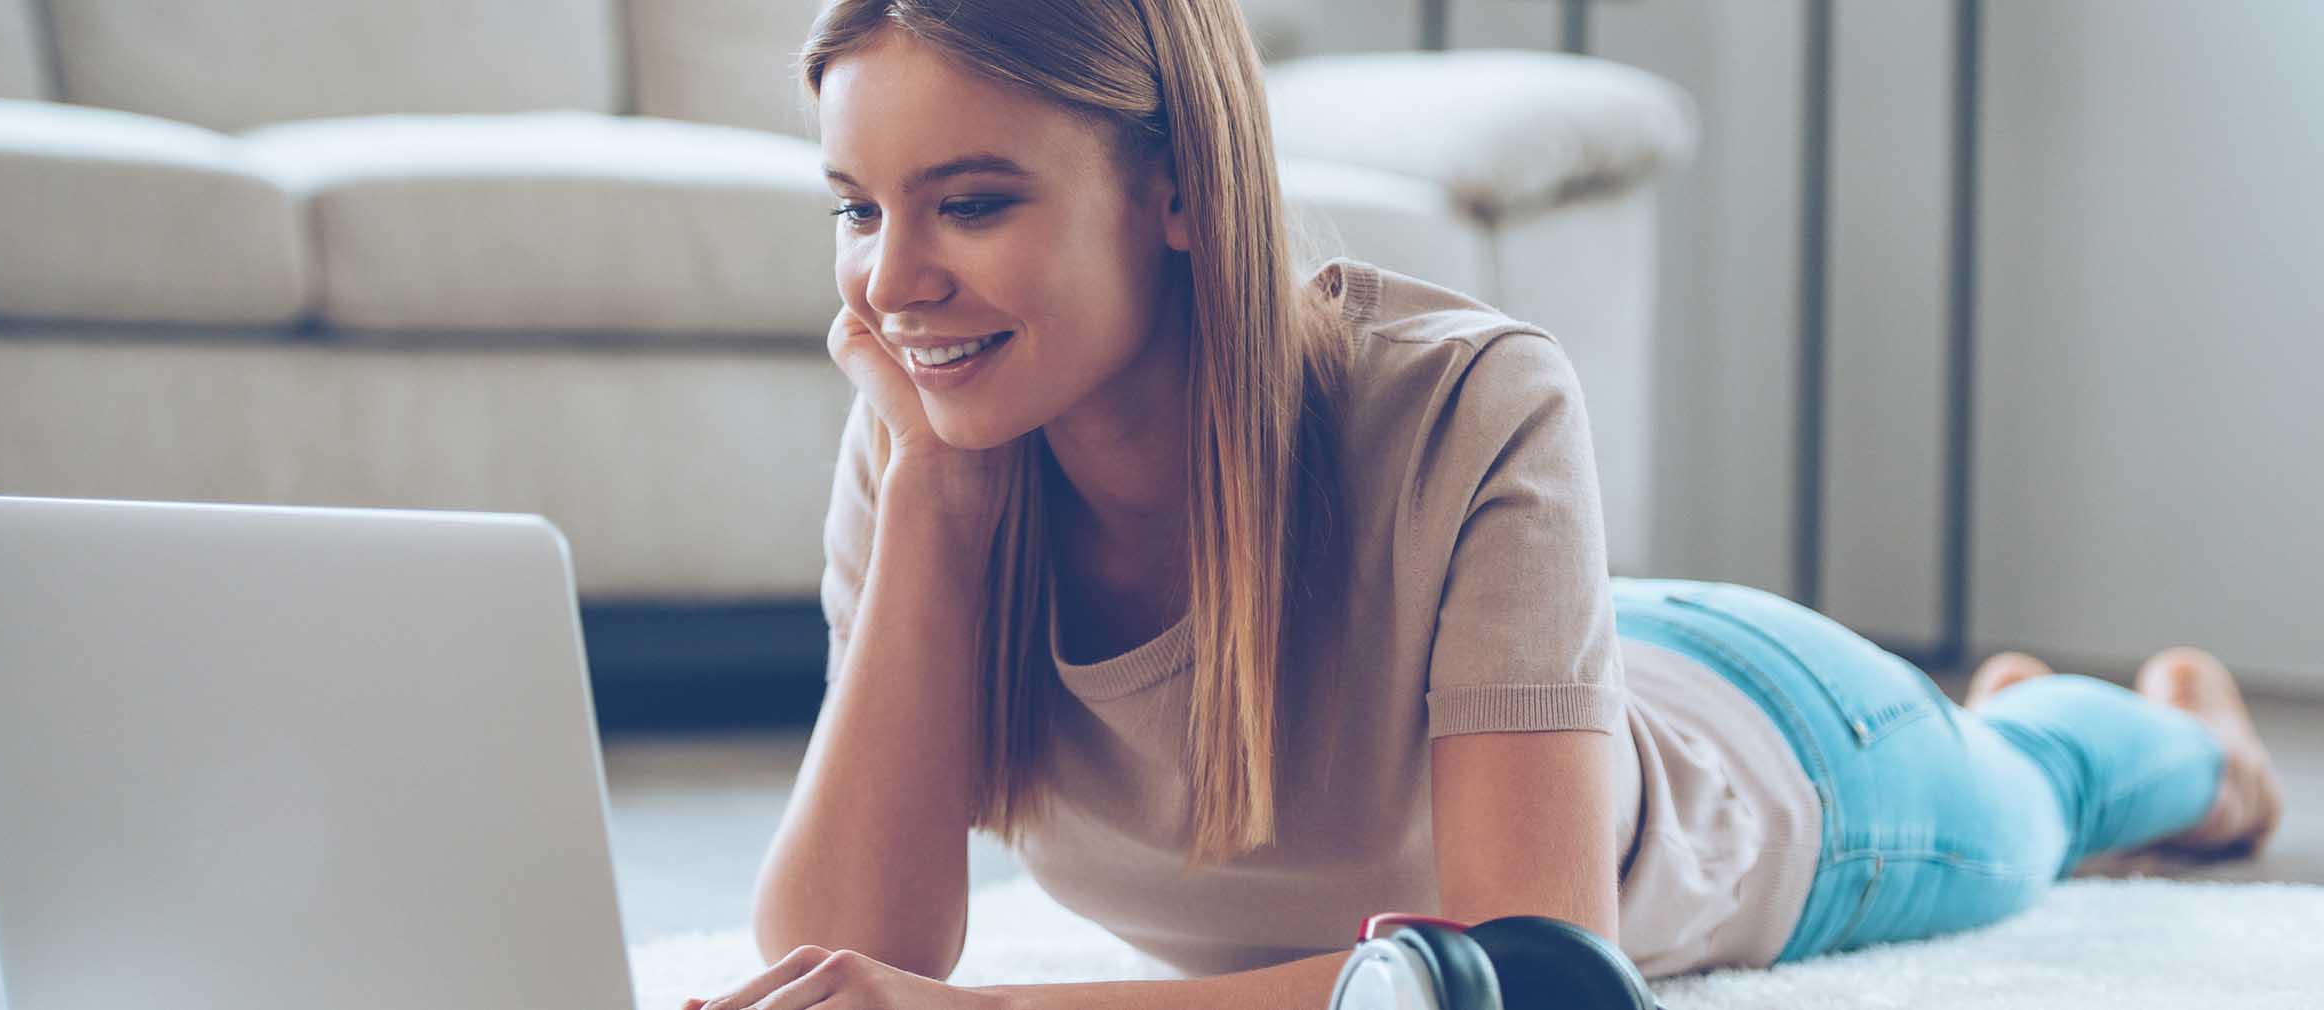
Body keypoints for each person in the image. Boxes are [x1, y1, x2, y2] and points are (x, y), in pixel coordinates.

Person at [683, 2, 2286, 1008]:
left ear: (1176, 187)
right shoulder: (931, 437)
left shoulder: (1464, 397)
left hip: (1778, 748)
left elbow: (1530, 967)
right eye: (857, 210)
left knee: (2040, 794)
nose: (891, 284)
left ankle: (2179, 731)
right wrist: (942, 504)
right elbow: (838, 954)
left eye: (970, 202)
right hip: (1564, 670)